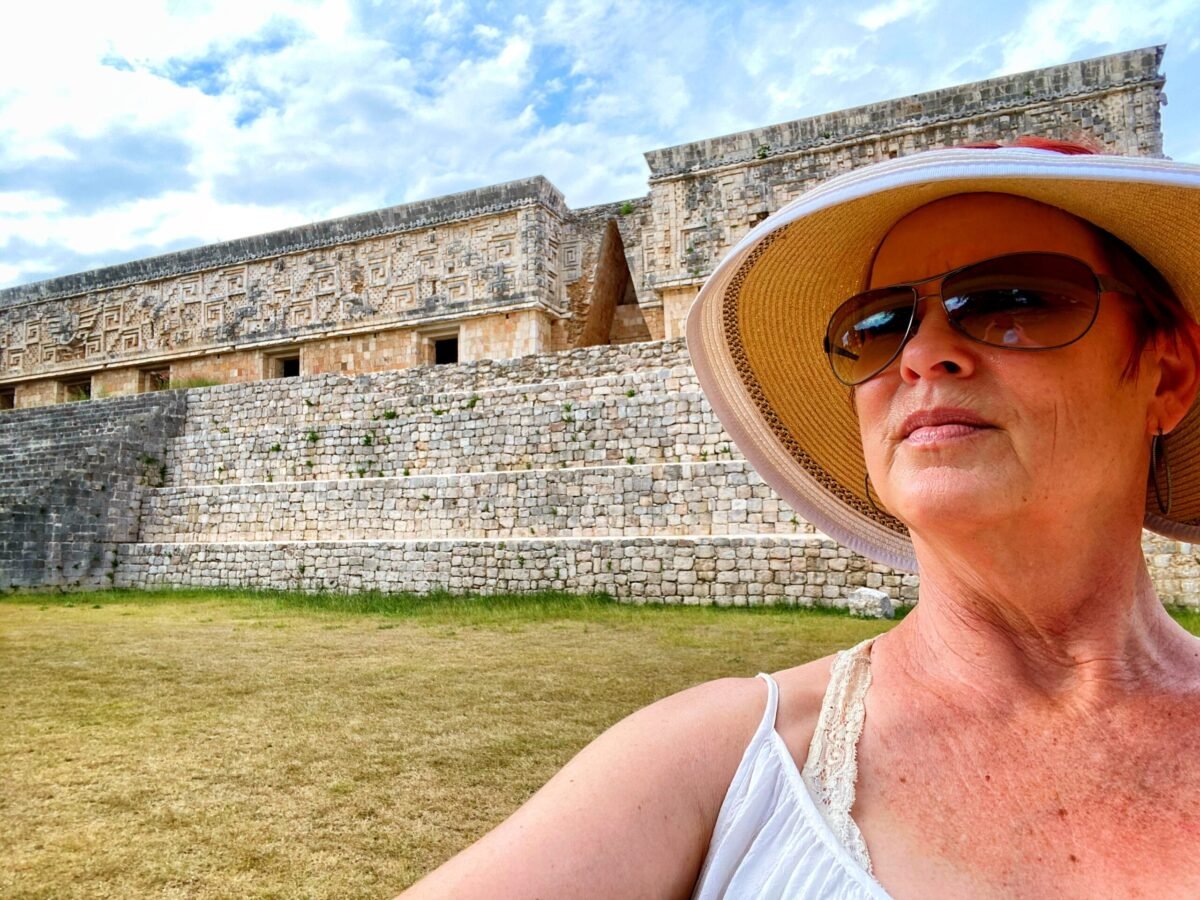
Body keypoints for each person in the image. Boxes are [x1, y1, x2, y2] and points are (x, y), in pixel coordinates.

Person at [400, 139, 1200, 898]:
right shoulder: (719, 763)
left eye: (1011, 301)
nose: (924, 353)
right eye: (880, 324)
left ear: (1167, 373)